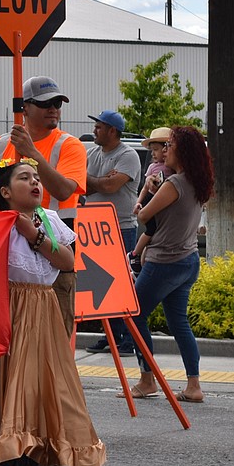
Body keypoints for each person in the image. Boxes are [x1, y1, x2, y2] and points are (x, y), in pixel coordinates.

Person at [0, 159, 111, 466]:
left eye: (37, 178)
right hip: (3, 315)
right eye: (25, 178)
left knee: (59, 395)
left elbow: (68, 261)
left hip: (42, 314)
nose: (36, 183)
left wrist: (34, 234)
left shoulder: (49, 221)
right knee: (11, 395)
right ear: (6, 191)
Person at [0, 76, 86, 334]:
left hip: (53, 257)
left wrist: (32, 153)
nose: (54, 108)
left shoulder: (69, 145)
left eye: (58, 103)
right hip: (6, 262)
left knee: (53, 344)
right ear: (25, 108)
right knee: (8, 342)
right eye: (46, 103)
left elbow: (64, 189)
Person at [124, 126, 213, 404]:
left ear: (182, 151)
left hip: (164, 262)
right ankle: (193, 385)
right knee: (179, 322)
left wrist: (148, 194)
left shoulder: (174, 184)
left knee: (134, 314)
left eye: (170, 145)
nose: (165, 151)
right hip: (188, 261)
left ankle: (147, 378)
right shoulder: (199, 183)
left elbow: (142, 216)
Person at [83, 110, 141, 355]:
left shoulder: (128, 155)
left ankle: (127, 339)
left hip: (121, 226)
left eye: (99, 127)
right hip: (93, 227)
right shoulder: (91, 153)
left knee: (122, 283)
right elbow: (78, 182)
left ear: (113, 131)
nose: (95, 130)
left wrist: (92, 180)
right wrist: (98, 180)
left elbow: (110, 186)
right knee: (101, 286)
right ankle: (112, 336)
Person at [130, 127, 173, 266]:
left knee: (153, 241)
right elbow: (144, 188)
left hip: (162, 207)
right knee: (151, 230)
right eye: (152, 150)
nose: (153, 153)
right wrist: (139, 202)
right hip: (152, 201)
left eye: (156, 149)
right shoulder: (152, 167)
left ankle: (139, 266)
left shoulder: (174, 168)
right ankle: (134, 254)